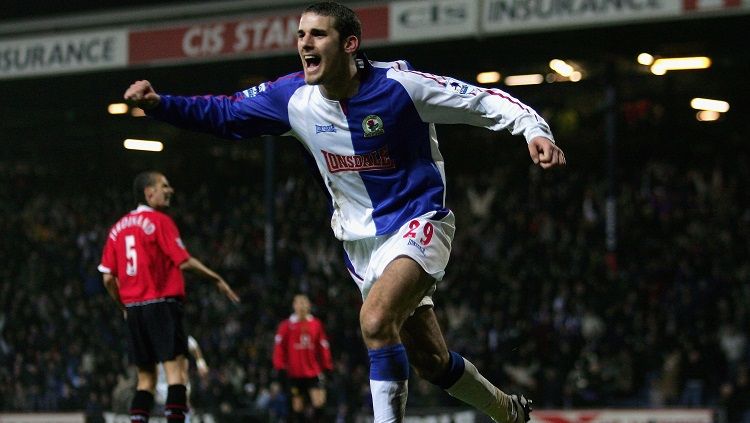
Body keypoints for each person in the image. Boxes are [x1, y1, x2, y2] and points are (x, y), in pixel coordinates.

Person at [123, 2, 566, 422]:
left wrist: (532, 129)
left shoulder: (401, 87)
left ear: (349, 43)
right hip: (359, 244)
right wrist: (162, 104)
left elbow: (480, 100)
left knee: (375, 321)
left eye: (318, 34)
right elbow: (224, 113)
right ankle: (506, 410)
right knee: (431, 360)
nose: (305, 44)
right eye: (300, 35)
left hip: (418, 221)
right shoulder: (292, 97)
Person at [98, 171, 240, 423]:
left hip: (135, 310)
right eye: (164, 186)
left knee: (145, 380)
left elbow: (108, 278)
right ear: (148, 193)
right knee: (177, 374)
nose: (170, 190)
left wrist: (123, 306)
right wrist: (216, 278)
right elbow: (183, 261)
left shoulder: (117, 229)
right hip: (162, 305)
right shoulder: (160, 221)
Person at [272, 294, 334, 422]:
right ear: (294, 305)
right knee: (297, 407)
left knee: (319, 402)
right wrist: (280, 367)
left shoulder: (316, 324)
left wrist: (327, 366)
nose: (301, 306)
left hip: (313, 371)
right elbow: (279, 348)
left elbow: (323, 346)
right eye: (299, 303)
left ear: (309, 306)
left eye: (304, 303)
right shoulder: (286, 326)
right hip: (294, 373)